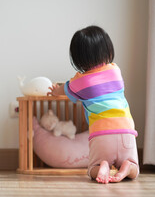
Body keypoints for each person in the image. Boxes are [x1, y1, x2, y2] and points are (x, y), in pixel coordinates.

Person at [47, 25, 139, 184]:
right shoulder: (115, 71)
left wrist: (55, 90)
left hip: (102, 134)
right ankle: (128, 167)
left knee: (92, 170)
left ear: (78, 59)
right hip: (127, 130)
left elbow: (64, 89)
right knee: (135, 170)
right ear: (107, 50)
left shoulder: (79, 81)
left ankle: (102, 165)